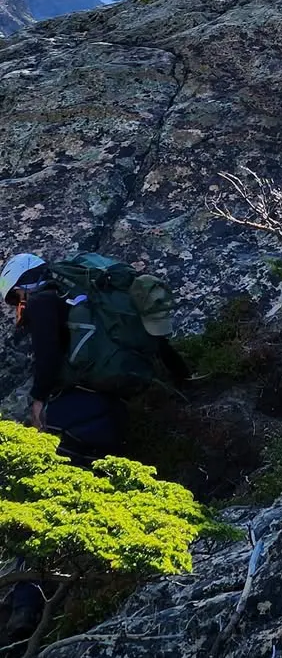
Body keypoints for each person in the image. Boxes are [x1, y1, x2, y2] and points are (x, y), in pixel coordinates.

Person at [0, 253, 189, 640]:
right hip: (112, 413)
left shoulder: (43, 302)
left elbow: (49, 355)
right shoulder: (92, 302)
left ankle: (25, 604)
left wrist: (38, 399)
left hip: (74, 414)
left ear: (22, 286)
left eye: (13, 298)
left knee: (40, 499)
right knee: (101, 496)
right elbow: (158, 339)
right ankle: (104, 580)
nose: (15, 307)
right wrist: (183, 377)